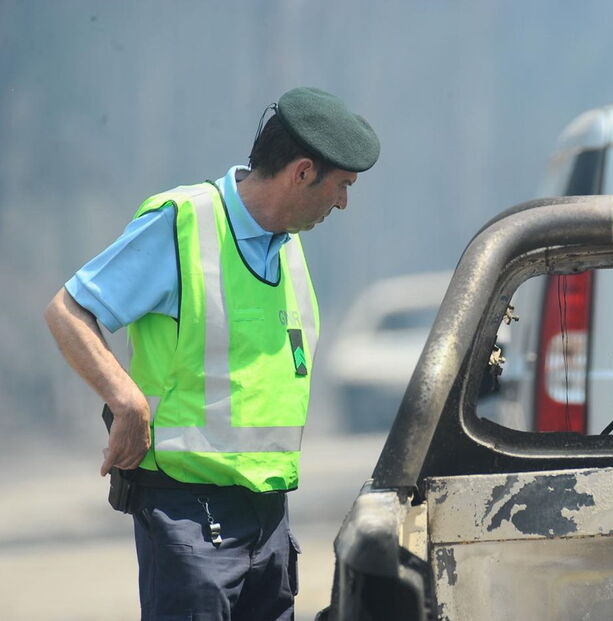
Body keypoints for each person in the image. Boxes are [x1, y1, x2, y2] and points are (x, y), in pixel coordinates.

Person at [44, 86, 380, 620]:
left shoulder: (288, 248)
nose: (342, 202)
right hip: (188, 514)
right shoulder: (182, 223)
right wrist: (125, 399)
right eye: (341, 186)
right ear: (301, 172)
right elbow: (68, 311)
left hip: (268, 517)